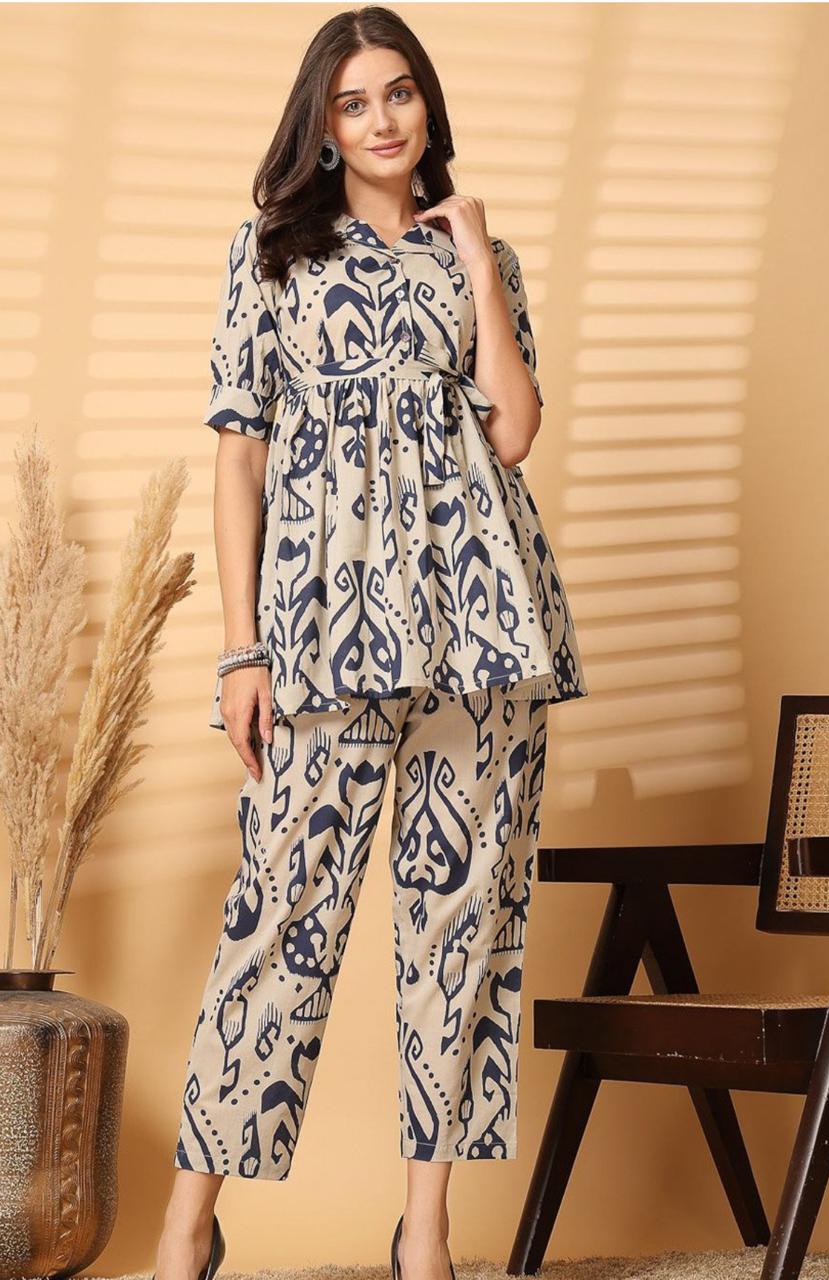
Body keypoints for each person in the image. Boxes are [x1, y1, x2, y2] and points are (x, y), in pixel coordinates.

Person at [153, 7, 588, 1280]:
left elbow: (512, 432)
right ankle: (187, 1225)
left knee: (461, 929)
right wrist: (241, 651)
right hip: (321, 637)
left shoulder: (478, 254)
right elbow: (239, 458)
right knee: (277, 917)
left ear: (426, 104)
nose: (382, 118)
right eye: (353, 102)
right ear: (322, 124)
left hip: (482, 630)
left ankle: (424, 1234)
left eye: (398, 92)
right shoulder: (271, 253)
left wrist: (477, 264)